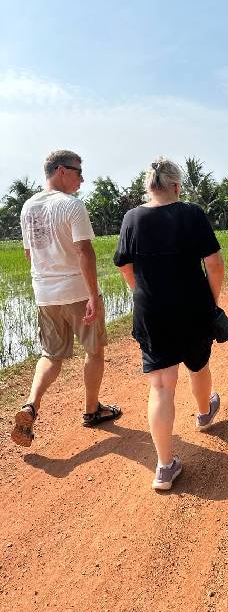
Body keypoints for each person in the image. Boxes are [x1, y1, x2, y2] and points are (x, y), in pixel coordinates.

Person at [113, 157, 224, 491]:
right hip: (192, 306)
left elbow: (125, 266)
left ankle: (164, 467)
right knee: (198, 364)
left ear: (149, 186)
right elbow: (214, 264)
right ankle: (204, 413)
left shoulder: (132, 218)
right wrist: (212, 302)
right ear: (177, 185)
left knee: (161, 386)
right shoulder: (191, 213)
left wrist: (144, 294)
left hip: (152, 311)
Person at [11, 150, 122, 447]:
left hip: (44, 294)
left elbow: (28, 253)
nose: (82, 179)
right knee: (94, 350)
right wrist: (92, 295)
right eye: (78, 172)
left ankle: (30, 404)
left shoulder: (27, 207)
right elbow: (85, 251)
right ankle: (92, 409)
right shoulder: (71, 205)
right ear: (61, 171)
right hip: (75, 291)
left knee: (51, 356)